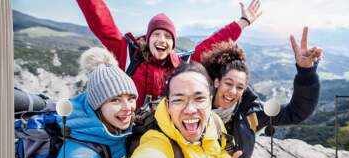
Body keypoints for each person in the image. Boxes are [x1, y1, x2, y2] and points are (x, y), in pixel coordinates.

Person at [77, 0, 262, 110]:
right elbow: (101, 21)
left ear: (173, 43)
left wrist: (242, 23)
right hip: (126, 127)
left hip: (162, 132)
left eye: (167, 36)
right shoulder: (128, 52)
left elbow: (208, 46)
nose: (162, 40)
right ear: (148, 38)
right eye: (156, 34)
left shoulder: (181, 66)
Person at [201, 27, 323, 158]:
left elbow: (295, 112)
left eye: (240, 87)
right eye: (228, 83)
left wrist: (306, 73)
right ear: (217, 82)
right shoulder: (197, 107)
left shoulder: (252, 113)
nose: (233, 91)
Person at [121, 62, 242, 158]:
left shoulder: (215, 122)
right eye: (178, 100)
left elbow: (220, 150)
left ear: (210, 101)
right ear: (168, 106)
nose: (190, 110)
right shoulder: (157, 140)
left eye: (199, 98)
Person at [51, 47, 138, 158]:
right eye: (115, 100)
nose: (128, 107)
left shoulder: (116, 129)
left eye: (131, 98)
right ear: (97, 105)